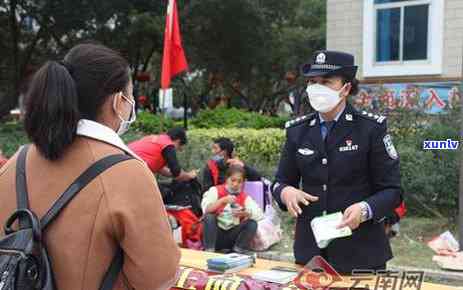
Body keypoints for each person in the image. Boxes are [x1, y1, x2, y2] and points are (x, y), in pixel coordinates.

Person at [0, 43, 180, 289]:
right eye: (131, 98)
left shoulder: (14, 164)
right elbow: (160, 276)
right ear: (118, 102)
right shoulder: (127, 172)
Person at [272, 50, 402, 274]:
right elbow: (280, 182)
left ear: (346, 88)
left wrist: (365, 209)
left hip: (361, 254)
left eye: (326, 82)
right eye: (313, 82)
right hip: (311, 254)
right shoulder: (297, 131)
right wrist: (286, 193)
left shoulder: (370, 129)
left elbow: (392, 191)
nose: (316, 88)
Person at [202, 165, 264, 254]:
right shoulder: (215, 190)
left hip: (232, 234)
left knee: (252, 223)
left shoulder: (244, 197)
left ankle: (238, 249)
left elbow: (259, 214)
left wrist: (246, 213)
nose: (235, 184)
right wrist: (222, 201)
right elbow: (206, 209)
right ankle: (209, 249)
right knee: (209, 216)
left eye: (239, 181)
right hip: (216, 234)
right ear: (227, 179)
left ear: (243, 183)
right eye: (233, 180)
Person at [128, 127, 197, 181]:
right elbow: (176, 172)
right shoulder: (168, 144)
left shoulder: (154, 138)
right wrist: (190, 175)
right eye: (179, 147)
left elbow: (161, 170)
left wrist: (182, 175)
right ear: (178, 141)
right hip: (133, 168)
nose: (179, 150)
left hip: (124, 160)